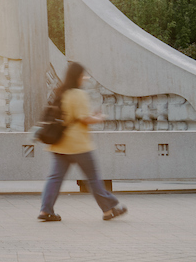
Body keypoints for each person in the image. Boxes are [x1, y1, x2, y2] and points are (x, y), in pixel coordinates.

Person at [38, 61, 128, 222]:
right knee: (93, 178)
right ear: (78, 77)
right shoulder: (78, 94)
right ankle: (109, 210)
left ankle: (46, 210)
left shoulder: (61, 92)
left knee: (55, 178)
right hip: (79, 145)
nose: (84, 78)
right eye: (83, 75)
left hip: (60, 144)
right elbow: (84, 118)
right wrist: (99, 117)